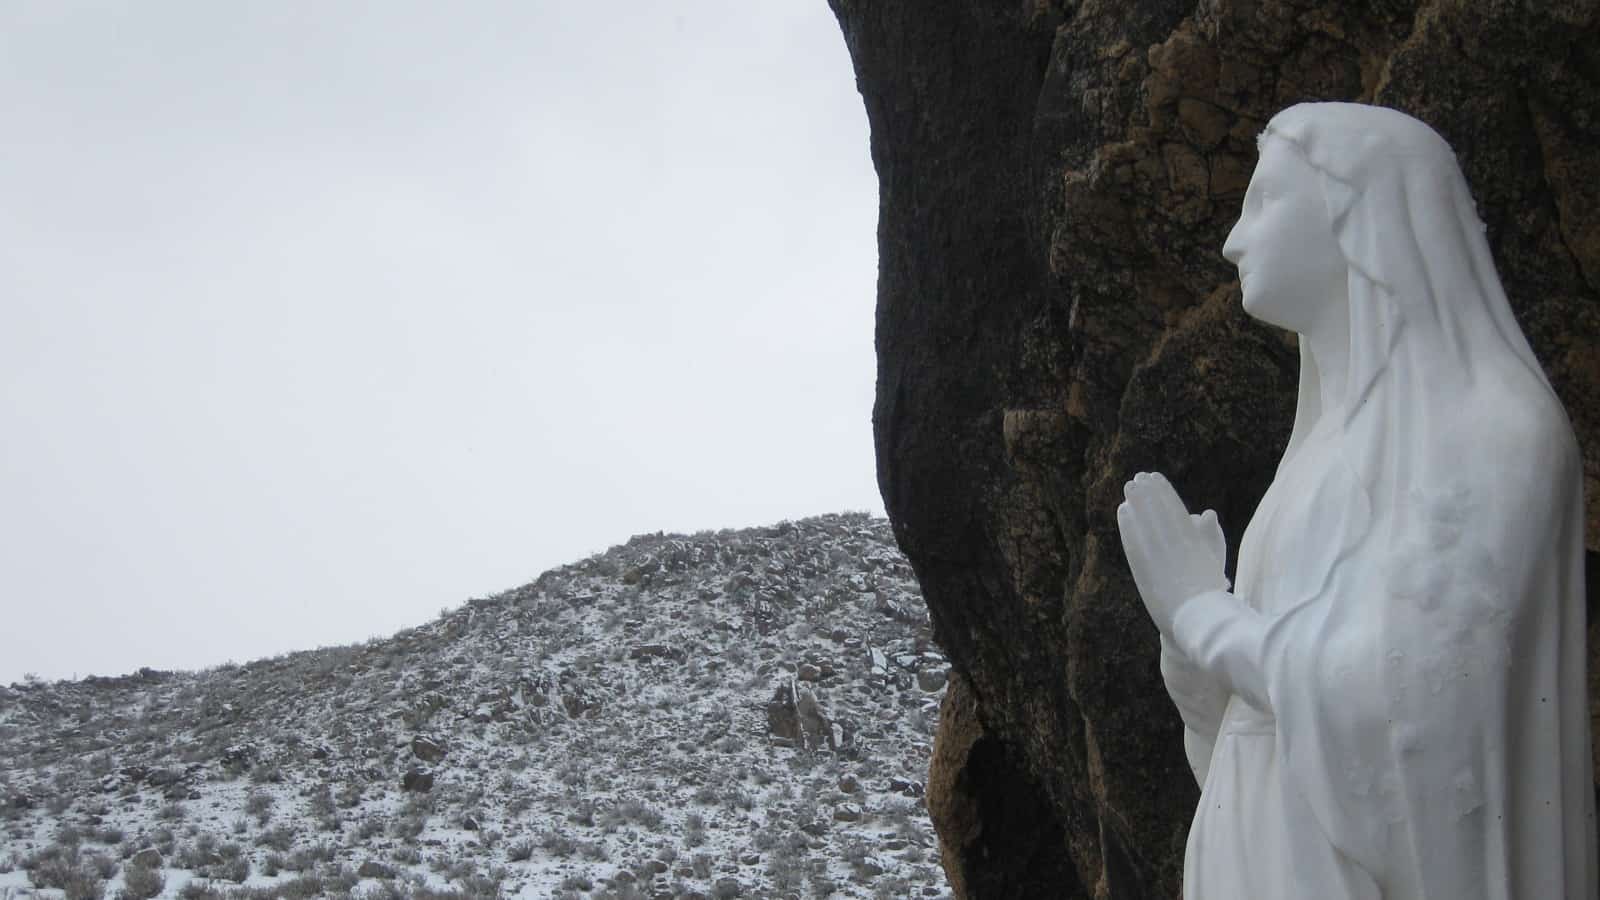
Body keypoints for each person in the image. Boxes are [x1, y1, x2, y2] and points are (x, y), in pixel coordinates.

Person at [1117, 102, 1597, 899]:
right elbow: (1263, 741)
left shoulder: (1494, 429)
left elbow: (1418, 696)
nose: (1234, 239)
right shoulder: (1307, 461)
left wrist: (1209, 617)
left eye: (1265, 201)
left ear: (1362, 213)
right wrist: (1190, 650)